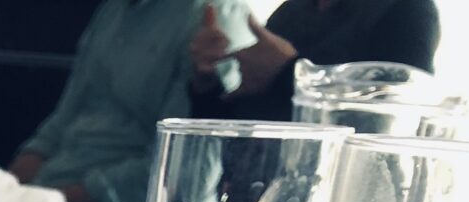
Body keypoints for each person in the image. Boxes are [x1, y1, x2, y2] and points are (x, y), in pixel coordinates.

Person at [10, 0, 250, 202]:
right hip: (53, 197)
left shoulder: (215, 17)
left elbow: (183, 176)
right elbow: (64, 118)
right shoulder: (114, 9)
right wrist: (8, 189)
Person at [189, 0, 442, 121]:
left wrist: (290, 72)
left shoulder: (408, 10)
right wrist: (208, 82)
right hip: (258, 197)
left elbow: (399, 117)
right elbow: (249, 116)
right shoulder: (292, 11)